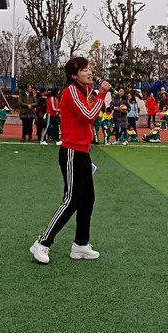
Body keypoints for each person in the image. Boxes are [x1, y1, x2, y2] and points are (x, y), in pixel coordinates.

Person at [30, 58, 111, 264]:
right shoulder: (71, 91)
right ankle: (42, 242)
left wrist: (96, 95)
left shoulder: (83, 91)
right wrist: (101, 94)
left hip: (82, 152)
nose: (90, 72)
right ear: (74, 75)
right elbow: (89, 115)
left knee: (87, 199)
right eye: (85, 70)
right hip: (72, 152)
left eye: (90, 68)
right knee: (71, 200)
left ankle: (81, 245)